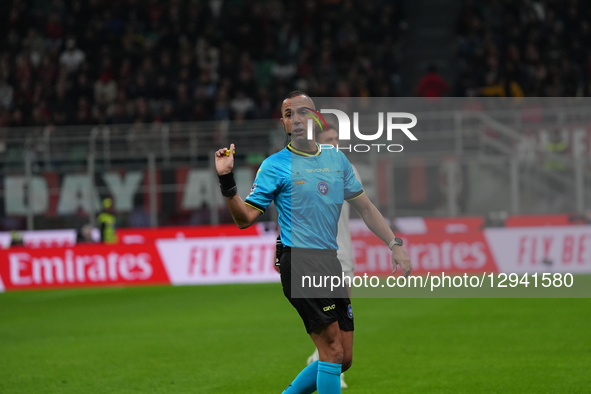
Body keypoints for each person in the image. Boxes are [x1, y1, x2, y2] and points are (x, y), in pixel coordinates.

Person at [215, 91, 411, 394]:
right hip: (301, 261)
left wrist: (393, 243)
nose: (296, 119)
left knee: (343, 358)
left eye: (303, 112)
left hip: (330, 261)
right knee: (331, 350)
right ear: (282, 122)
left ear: (316, 117)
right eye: (289, 114)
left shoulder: (336, 159)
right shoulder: (274, 165)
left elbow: (366, 208)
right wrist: (227, 182)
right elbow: (244, 218)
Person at [305, 124, 360, 389]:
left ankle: (320, 360)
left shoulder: (346, 168)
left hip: (344, 256)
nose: (335, 143)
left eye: (337, 138)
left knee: (341, 319)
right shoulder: (308, 171)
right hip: (317, 257)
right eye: (329, 139)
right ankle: (329, 365)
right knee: (330, 323)